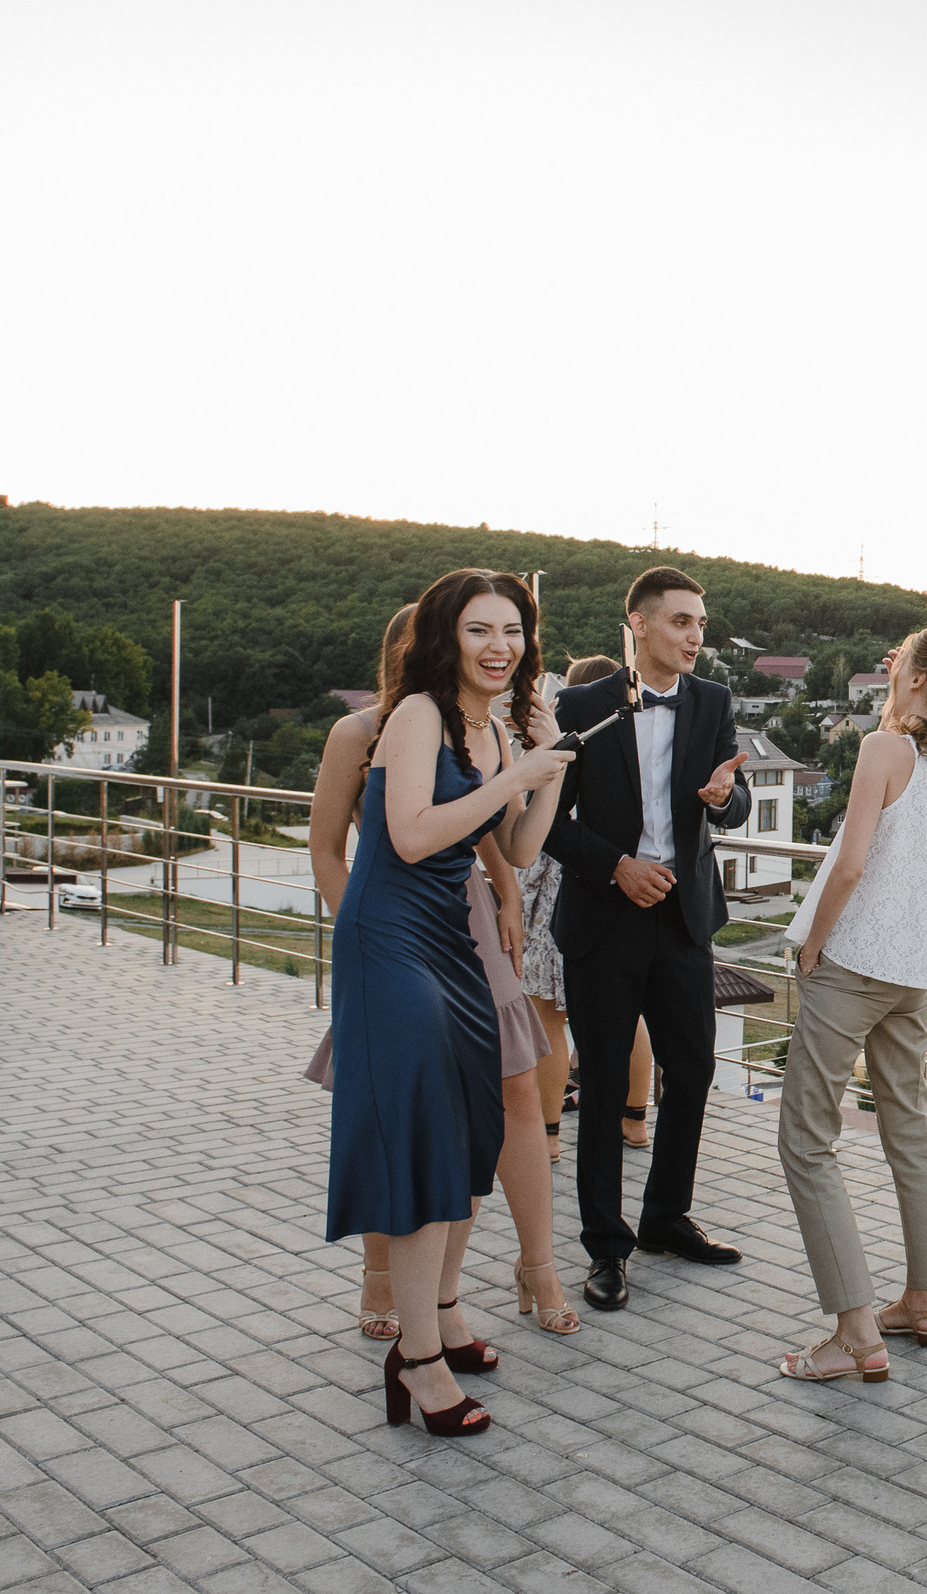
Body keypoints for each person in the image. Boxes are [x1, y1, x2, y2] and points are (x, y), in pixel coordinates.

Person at [327, 568, 574, 1436]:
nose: (499, 645)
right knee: (423, 1134)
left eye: (512, 629)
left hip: (451, 938)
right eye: (480, 629)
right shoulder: (418, 715)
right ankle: (419, 1359)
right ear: (445, 637)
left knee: (458, 1136)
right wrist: (517, 776)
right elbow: (412, 834)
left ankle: (429, 1332)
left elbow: (517, 845)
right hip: (390, 935)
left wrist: (544, 770)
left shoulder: (492, 732)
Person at [775, 624, 927, 1382]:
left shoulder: (884, 751)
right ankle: (923, 1299)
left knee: (805, 1140)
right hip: (914, 972)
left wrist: (812, 945)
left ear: (918, 678)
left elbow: (850, 865)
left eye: (903, 663)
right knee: (908, 1133)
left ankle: (854, 1330)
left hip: (853, 962)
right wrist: (910, 683)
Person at [537, 567, 752, 1311]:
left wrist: (729, 798)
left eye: (701, 623)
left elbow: (733, 797)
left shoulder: (716, 702)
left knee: (691, 1072)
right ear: (638, 623)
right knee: (600, 1085)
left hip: (684, 919)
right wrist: (617, 867)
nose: (697, 637)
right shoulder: (580, 705)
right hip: (605, 918)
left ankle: (665, 1217)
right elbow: (550, 827)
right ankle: (605, 1245)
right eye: (682, 622)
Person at [515, 657, 656, 1161]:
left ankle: (549, 1136)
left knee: (548, 1015)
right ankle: (634, 1121)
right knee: (629, 1014)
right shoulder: (628, 731)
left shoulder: (567, 734)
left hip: (563, 877)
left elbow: (536, 818)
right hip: (608, 880)